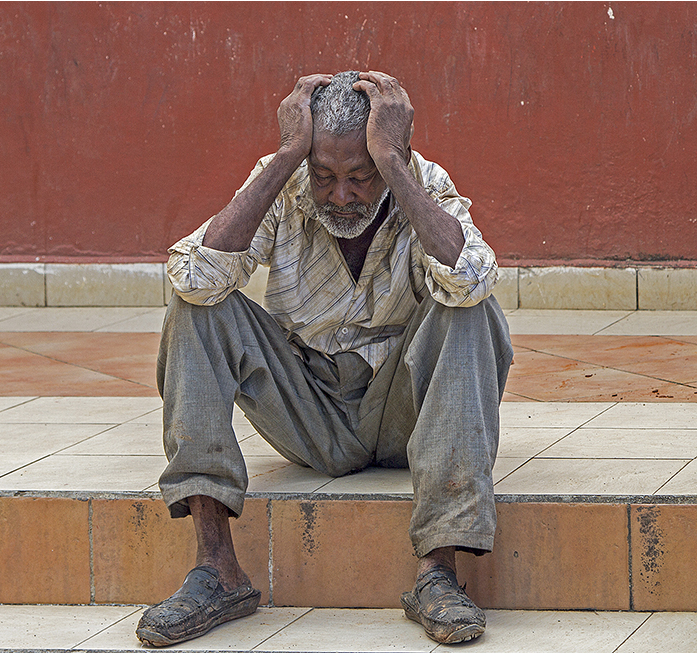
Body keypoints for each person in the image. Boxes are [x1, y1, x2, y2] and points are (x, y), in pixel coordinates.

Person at [135, 70, 513, 648]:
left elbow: (471, 278)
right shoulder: (284, 185)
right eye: (325, 176)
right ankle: (217, 570)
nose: (341, 195)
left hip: (403, 408)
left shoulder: (421, 182)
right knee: (196, 308)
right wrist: (287, 157)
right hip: (307, 405)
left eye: (360, 177)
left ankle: (439, 574)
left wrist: (397, 168)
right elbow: (192, 273)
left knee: (473, 311)